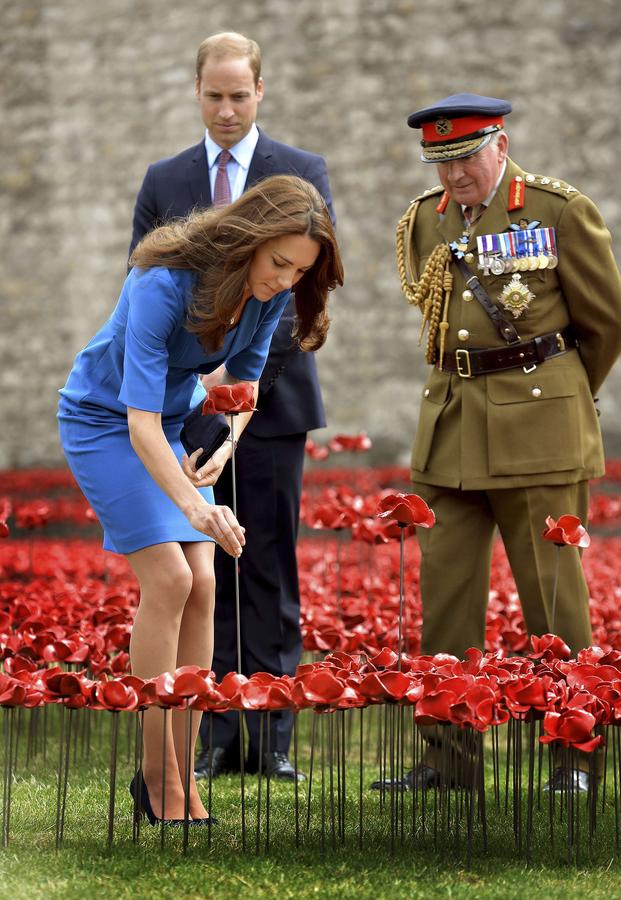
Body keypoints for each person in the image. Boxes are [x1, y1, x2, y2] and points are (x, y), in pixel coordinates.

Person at [58, 175, 343, 824]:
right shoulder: (164, 283)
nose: (284, 280)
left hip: (179, 425)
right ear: (248, 238)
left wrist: (223, 446)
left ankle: (184, 780)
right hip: (107, 423)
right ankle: (156, 780)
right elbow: (138, 423)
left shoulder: (269, 295)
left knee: (205, 586)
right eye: (278, 263)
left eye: (299, 271)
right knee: (169, 577)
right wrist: (194, 505)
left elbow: (240, 386)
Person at [385, 92, 621, 793]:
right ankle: (447, 760)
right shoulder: (424, 221)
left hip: (539, 429)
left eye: (464, 159)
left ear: (499, 143)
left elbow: (604, 323)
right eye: (440, 162)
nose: (454, 175)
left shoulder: (554, 210)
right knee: (446, 599)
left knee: (553, 602)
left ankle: (573, 760)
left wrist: (566, 398)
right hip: (452, 427)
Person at [129, 31, 336, 783]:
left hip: (272, 402)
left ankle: (272, 730)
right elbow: (143, 281)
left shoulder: (302, 172)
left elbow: (295, 293)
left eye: (238, 95)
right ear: (197, 91)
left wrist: (235, 389)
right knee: (201, 561)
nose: (225, 108)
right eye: (213, 95)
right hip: (184, 410)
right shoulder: (165, 178)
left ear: (260, 93)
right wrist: (201, 402)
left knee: (270, 561)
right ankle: (214, 729)